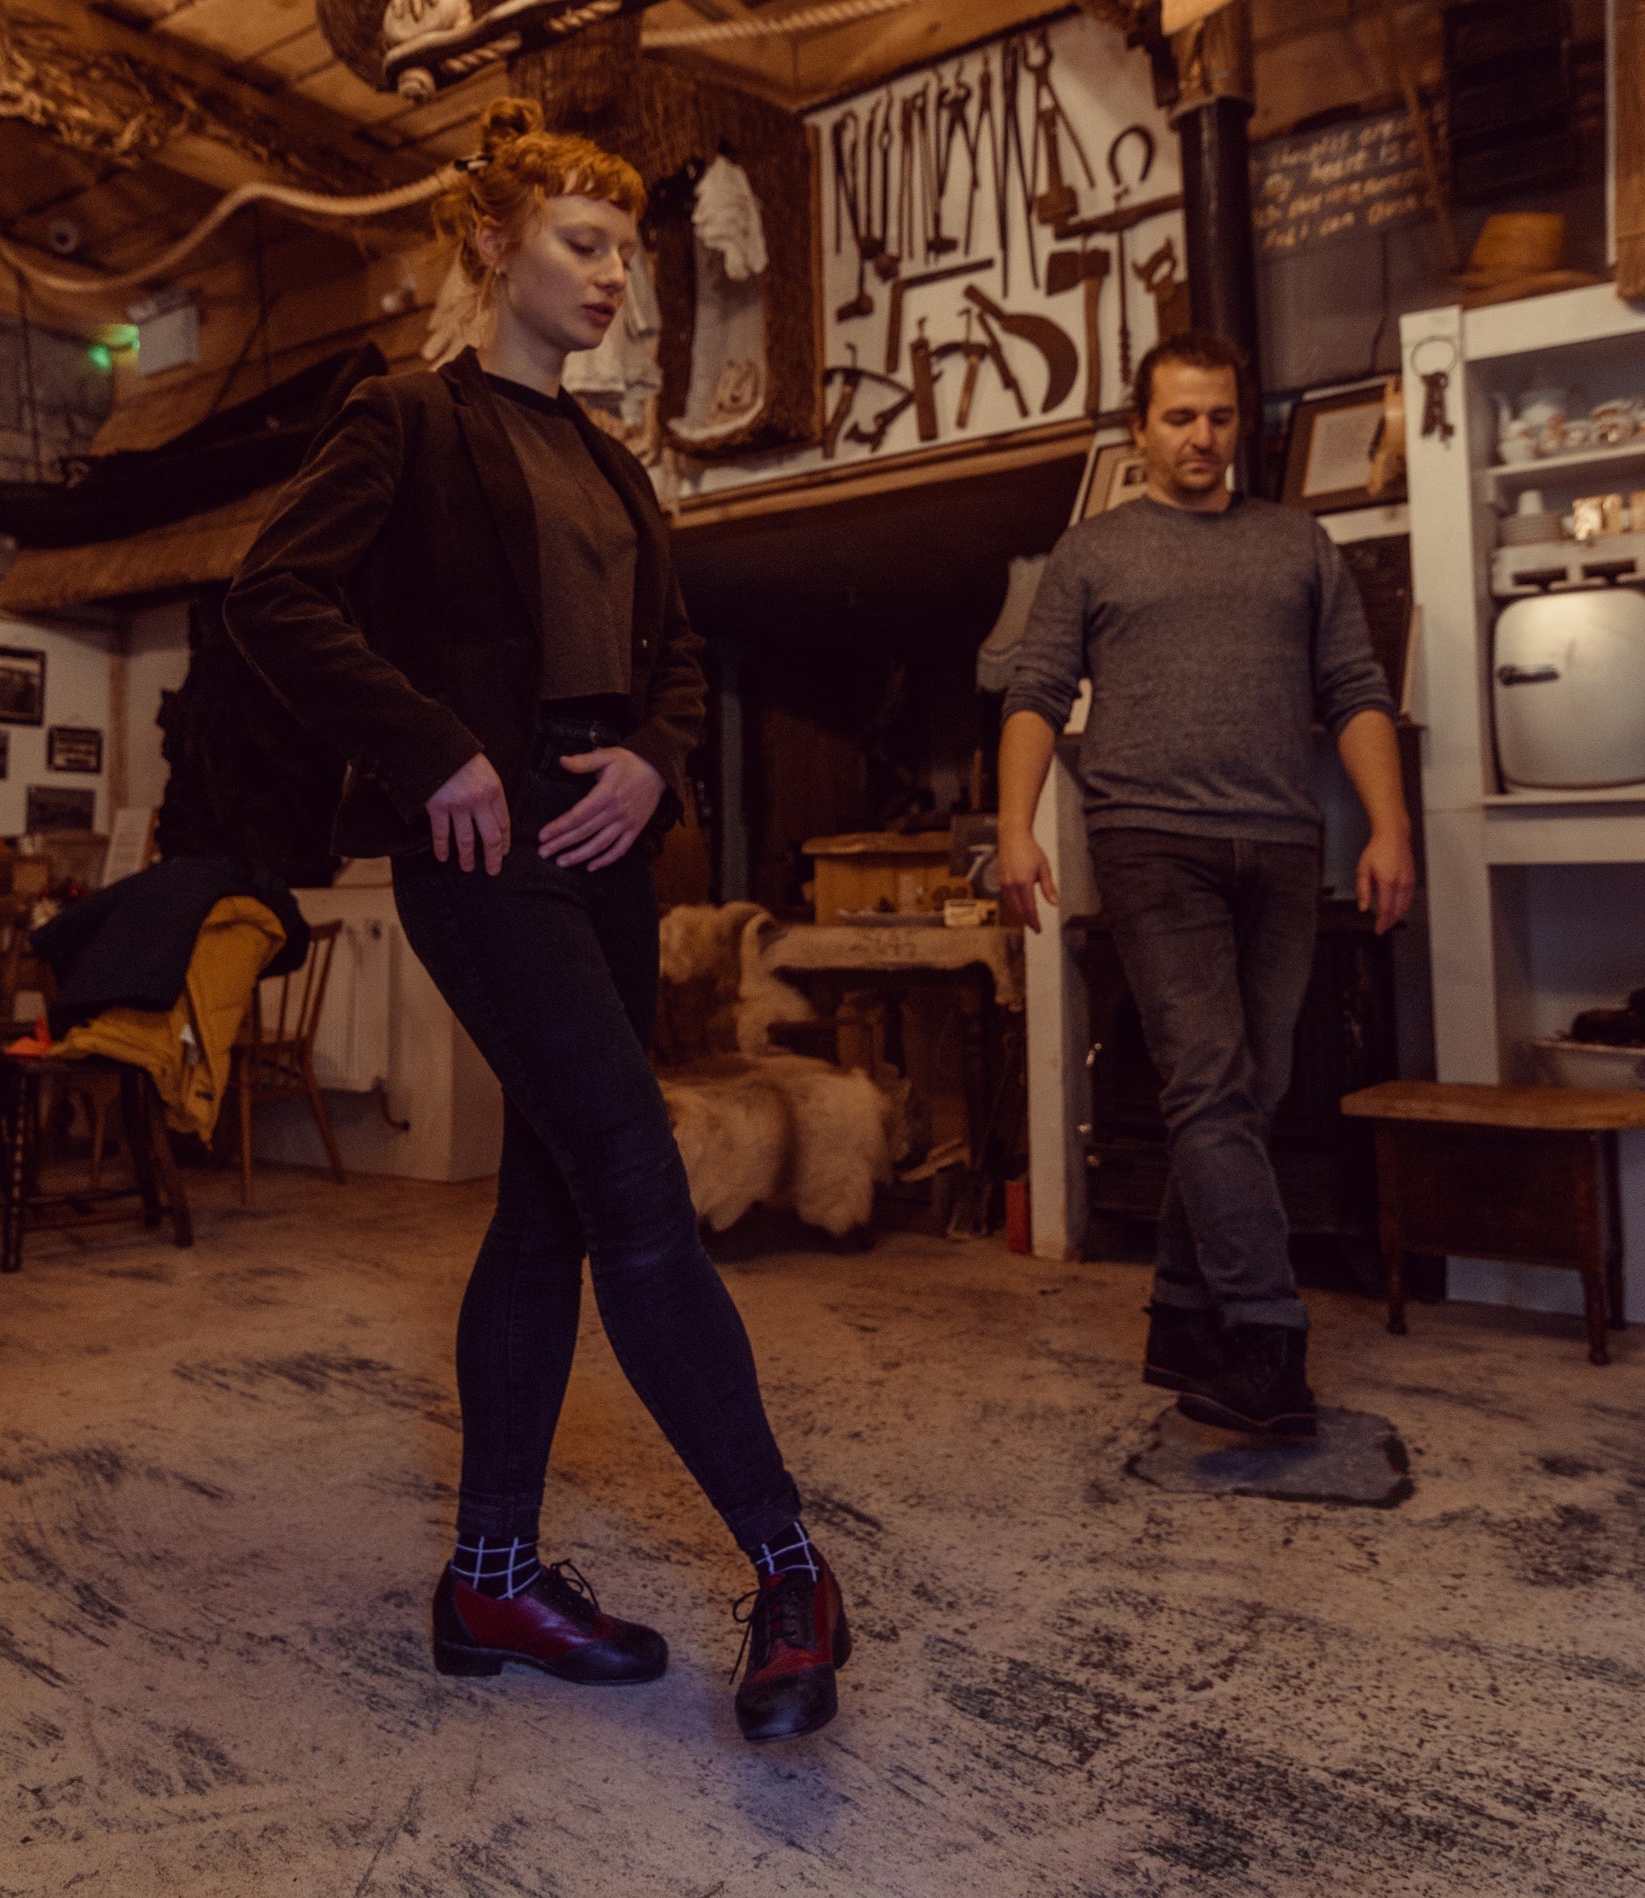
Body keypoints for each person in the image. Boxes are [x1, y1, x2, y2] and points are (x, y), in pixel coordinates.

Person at [224, 98, 850, 1744]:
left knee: (551, 1212)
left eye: (627, 254)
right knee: (635, 1174)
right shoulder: (408, 422)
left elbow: (682, 656)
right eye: (586, 244)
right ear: (494, 244)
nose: (616, 282)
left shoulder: (613, 463)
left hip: (608, 854)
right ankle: (790, 1562)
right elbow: (273, 595)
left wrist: (653, 764)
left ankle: (490, 1581)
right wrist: (432, 748)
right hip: (484, 857)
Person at [996, 331, 1416, 1440]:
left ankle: (1182, 1319)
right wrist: (1013, 830)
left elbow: (1357, 689)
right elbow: (1035, 693)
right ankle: (1269, 1338)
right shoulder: (1094, 551)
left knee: (1249, 1088)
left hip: (1282, 843)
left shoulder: (1298, 545)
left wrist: (1390, 828)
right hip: (1150, 839)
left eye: (1220, 417)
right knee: (1210, 1080)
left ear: (1242, 424)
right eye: (1180, 417)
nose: (1202, 437)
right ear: (1141, 429)